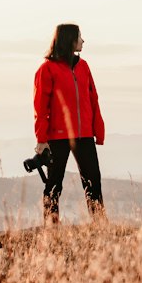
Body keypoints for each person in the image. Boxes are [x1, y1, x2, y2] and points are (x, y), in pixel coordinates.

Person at [33, 23, 106, 224]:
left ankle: (100, 226)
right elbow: (40, 108)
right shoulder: (46, 69)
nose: (83, 41)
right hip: (57, 136)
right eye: (79, 37)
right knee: (54, 185)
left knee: (93, 182)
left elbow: (93, 99)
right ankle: (51, 230)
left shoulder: (84, 67)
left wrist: (98, 131)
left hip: (84, 135)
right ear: (69, 40)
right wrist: (41, 140)